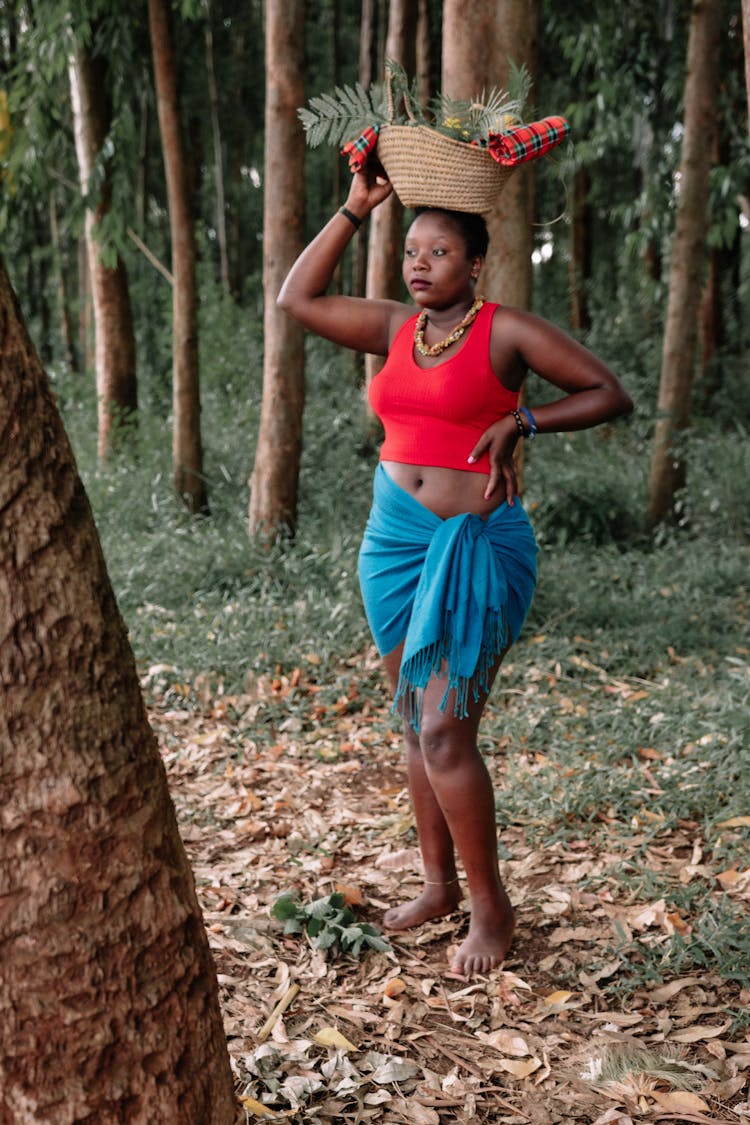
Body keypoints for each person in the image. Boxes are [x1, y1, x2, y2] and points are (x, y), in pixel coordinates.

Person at [277, 167, 633, 977]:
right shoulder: (396, 328)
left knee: (444, 729)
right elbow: (296, 300)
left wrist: (525, 418)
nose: (420, 262)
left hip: (478, 545)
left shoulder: (506, 331)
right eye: (410, 249)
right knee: (414, 717)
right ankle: (437, 887)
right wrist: (353, 208)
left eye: (440, 250)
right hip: (392, 544)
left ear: (475, 263)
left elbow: (610, 392)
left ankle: (490, 906)